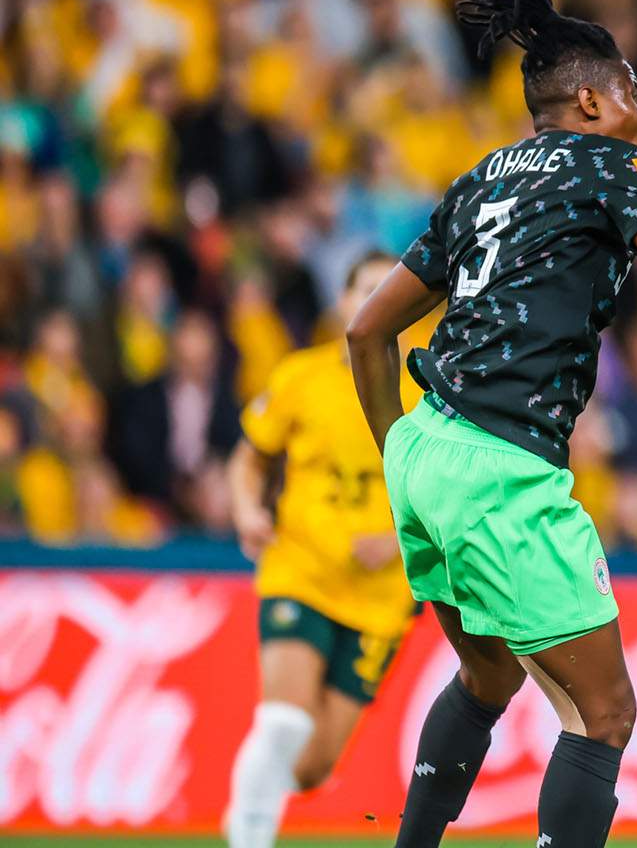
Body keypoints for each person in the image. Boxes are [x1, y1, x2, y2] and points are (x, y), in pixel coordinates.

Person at [345, 0, 637, 848]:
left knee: (489, 679)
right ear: (593, 101)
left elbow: (368, 332)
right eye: (635, 95)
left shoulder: (481, 179)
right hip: (502, 470)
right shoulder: (612, 169)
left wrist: (397, 457)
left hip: (424, 452)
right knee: (604, 715)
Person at [224, 250, 422, 848]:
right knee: (283, 719)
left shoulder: (425, 392)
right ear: (341, 299)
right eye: (363, 288)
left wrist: (396, 539)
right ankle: (250, 834)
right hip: (302, 569)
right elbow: (250, 456)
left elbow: (445, 495)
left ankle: (252, 796)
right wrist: (245, 509)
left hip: (381, 597)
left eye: (386, 290)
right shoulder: (300, 377)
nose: (371, 299)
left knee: (310, 769)